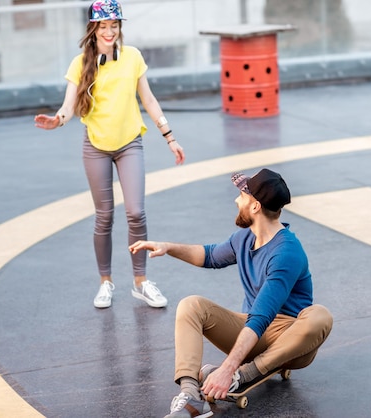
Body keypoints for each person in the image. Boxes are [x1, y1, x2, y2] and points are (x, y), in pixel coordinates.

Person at [130, 168, 333, 417]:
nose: (236, 200)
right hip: (252, 334)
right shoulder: (245, 238)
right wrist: (168, 247)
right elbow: (210, 255)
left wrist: (228, 369)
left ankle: (242, 375)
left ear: (255, 206)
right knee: (191, 304)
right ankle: (191, 395)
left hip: (289, 340)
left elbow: (262, 316)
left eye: (242, 195)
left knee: (319, 316)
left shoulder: (286, 253)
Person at [35, 0, 184, 309]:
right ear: (94, 29)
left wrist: (169, 136)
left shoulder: (132, 57)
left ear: (119, 28)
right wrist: (57, 121)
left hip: (129, 143)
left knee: (135, 212)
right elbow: (68, 106)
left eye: (114, 25)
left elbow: (150, 100)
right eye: (103, 26)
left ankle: (141, 282)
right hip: (96, 147)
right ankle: (106, 282)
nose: (109, 31)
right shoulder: (80, 64)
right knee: (104, 216)